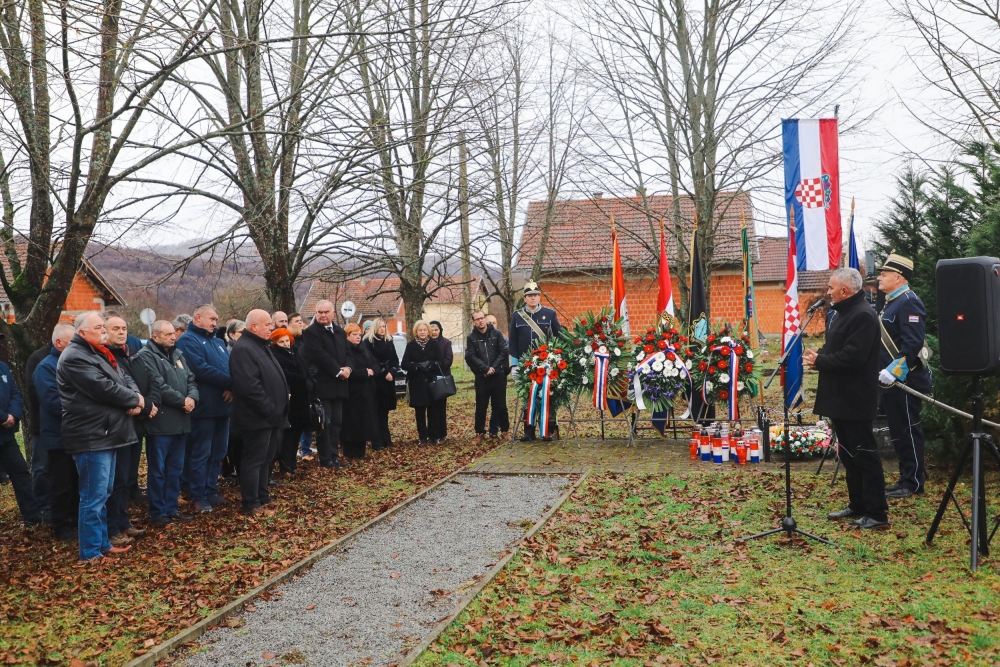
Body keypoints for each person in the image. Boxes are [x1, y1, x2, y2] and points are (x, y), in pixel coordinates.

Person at [804, 268, 889, 530]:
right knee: (849, 455)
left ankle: (877, 513)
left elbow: (853, 357)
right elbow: (838, 349)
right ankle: (858, 504)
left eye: (831, 288)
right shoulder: (842, 314)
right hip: (840, 398)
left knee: (864, 454)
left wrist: (822, 360)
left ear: (844, 290)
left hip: (855, 398)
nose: (827, 292)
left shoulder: (863, 315)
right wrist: (819, 357)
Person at [57, 312, 142, 561]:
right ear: (82, 333)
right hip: (91, 436)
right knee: (92, 497)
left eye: (103, 326)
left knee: (103, 494)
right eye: (98, 327)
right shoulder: (74, 357)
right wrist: (134, 399)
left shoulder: (98, 352)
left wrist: (135, 396)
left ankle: (102, 543)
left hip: (106, 433)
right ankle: (90, 552)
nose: (103, 330)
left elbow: (124, 378)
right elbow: (104, 388)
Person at [876, 253, 932, 499]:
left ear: (898, 277)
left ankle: (914, 482)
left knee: (908, 431)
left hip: (905, 381)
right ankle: (906, 477)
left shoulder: (908, 301)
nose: (880, 278)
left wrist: (894, 372)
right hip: (892, 383)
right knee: (899, 431)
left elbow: (912, 344)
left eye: (884, 274)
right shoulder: (893, 301)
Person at [136, 320, 199, 525]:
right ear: (155, 336)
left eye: (174, 333)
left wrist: (192, 398)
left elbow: (191, 379)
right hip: (161, 423)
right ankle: (158, 512)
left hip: (181, 421)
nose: (173, 337)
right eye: (168, 334)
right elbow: (158, 385)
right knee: (159, 470)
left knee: (175, 469)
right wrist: (182, 401)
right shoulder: (146, 356)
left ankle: (172, 507)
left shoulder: (178, 354)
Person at [229, 310, 288, 516]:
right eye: (268, 325)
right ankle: (251, 503)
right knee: (254, 460)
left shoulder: (260, 345)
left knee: (266, 459)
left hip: (271, 417)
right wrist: (270, 409)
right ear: (254, 326)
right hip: (257, 418)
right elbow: (250, 387)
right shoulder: (244, 349)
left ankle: (263, 497)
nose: (271, 328)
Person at [176, 304, 233, 514]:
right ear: (198, 317)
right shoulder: (187, 340)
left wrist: (231, 387)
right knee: (201, 453)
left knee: (218, 452)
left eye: (217, 320)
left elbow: (228, 367)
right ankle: (198, 495)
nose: (215, 323)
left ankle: (211, 490)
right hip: (203, 408)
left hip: (223, 406)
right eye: (211, 319)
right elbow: (200, 369)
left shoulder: (218, 342)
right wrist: (231, 383)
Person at [105, 316, 157, 545]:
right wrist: (133, 403)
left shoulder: (132, 352)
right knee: (115, 481)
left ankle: (123, 521)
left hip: (134, 423)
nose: (121, 332)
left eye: (124, 328)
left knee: (127, 478)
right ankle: (112, 526)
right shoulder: (104, 357)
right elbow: (112, 389)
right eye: (115, 328)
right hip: (114, 426)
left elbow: (140, 382)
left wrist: (145, 404)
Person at [34, 324, 78, 541]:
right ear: (59, 343)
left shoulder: (74, 363)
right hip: (58, 435)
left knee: (78, 481)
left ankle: (77, 520)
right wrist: (84, 410)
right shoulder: (46, 367)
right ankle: (61, 526)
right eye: (72, 342)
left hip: (79, 434)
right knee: (61, 484)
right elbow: (54, 402)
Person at [508, 281, 562, 441]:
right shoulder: (517, 316)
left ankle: (548, 430)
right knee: (527, 397)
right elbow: (513, 342)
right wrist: (514, 364)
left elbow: (557, 337)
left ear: (539, 297)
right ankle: (528, 430)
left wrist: (556, 358)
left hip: (546, 364)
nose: (533, 298)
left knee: (548, 395)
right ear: (524, 298)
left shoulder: (550, 314)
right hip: (525, 365)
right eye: (530, 296)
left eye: (535, 295)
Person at [301, 300, 349, 469]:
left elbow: (348, 354)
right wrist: (338, 371)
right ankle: (325, 459)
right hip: (323, 385)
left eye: (326, 312)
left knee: (337, 423)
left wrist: (348, 368)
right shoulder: (311, 332)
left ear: (333, 313)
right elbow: (318, 355)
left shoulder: (339, 332)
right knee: (325, 424)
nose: (322, 315)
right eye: (319, 312)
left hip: (340, 385)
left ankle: (334, 457)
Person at [0, 339, 42, 529]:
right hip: (3, 423)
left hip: (6, 434)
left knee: (21, 473)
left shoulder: (3, 367)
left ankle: (32, 516)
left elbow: (16, 393)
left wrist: (14, 415)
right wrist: (2, 416)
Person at [269, 327, 310, 475]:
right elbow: (285, 375)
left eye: (287, 340)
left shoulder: (294, 353)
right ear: (275, 343)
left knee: (296, 434)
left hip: (301, 399)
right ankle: (286, 466)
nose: (286, 343)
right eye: (282, 341)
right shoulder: (276, 356)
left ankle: (292, 464)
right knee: (288, 435)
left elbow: (304, 370)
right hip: (290, 398)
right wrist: (303, 380)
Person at [465, 310, 509, 443]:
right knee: (481, 406)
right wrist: (485, 369)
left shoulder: (497, 334)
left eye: (482, 318)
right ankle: (479, 432)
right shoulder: (471, 338)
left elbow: (503, 352)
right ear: (473, 322)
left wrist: (493, 368)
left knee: (501, 405)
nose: (480, 321)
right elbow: (471, 356)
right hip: (482, 377)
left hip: (498, 376)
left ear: (485, 319)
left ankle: (505, 431)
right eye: (477, 319)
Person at [342, 323, 382, 458]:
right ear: (347, 336)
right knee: (352, 422)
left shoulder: (363, 348)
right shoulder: (345, 351)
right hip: (352, 392)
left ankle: (361, 450)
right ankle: (350, 451)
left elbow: (376, 364)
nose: (358, 337)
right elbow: (347, 370)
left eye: (359, 335)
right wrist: (365, 372)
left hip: (367, 391)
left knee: (365, 421)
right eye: (354, 335)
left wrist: (374, 371)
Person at [401, 321, 444, 444]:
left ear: (428, 331)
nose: (422, 332)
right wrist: (416, 366)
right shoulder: (411, 345)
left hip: (431, 382)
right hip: (417, 382)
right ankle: (422, 437)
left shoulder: (434, 344)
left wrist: (430, 364)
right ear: (416, 331)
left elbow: (441, 363)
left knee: (433, 411)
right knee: (420, 412)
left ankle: (434, 436)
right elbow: (404, 364)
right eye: (420, 330)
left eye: (424, 330)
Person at [363, 318, 399, 449]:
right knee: (376, 411)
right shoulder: (368, 342)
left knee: (385, 411)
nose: (383, 329)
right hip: (376, 381)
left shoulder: (389, 341)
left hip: (388, 381)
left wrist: (393, 372)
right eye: (380, 327)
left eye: (384, 326)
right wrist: (384, 372)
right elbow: (370, 361)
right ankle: (377, 440)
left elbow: (395, 360)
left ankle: (386, 438)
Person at [26, 341, 52, 520]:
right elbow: (34, 391)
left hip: (68, 425)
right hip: (43, 424)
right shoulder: (38, 358)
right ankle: (43, 506)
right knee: (42, 467)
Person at [428, 321, 452, 443]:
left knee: (441, 407)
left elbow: (448, 359)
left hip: (442, 379)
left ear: (440, 330)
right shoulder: (427, 343)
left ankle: (442, 433)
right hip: (429, 379)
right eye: (431, 329)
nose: (434, 332)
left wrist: (437, 367)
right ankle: (432, 433)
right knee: (431, 408)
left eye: (436, 329)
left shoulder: (446, 342)